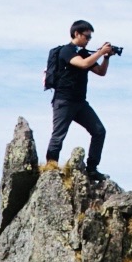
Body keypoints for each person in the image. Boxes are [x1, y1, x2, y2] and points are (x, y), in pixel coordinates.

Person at [45, 20, 116, 179]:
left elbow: (100, 72)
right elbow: (83, 64)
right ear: (76, 34)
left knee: (99, 131)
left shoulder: (84, 53)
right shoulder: (66, 51)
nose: (88, 40)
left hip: (80, 102)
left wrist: (106, 57)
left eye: (90, 37)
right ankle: (50, 168)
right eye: (87, 36)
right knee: (59, 135)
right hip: (64, 101)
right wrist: (98, 52)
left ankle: (92, 169)